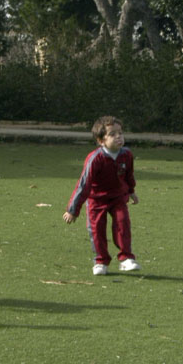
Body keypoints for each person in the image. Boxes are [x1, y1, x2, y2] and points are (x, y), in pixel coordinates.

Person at [63, 115, 140, 275]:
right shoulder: (95, 159)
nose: (118, 137)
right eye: (112, 134)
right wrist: (73, 209)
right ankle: (101, 261)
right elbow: (84, 184)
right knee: (97, 230)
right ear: (101, 140)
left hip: (118, 198)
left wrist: (131, 191)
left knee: (122, 223)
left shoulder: (127, 155)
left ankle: (126, 258)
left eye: (120, 133)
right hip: (96, 200)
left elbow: (128, 175)